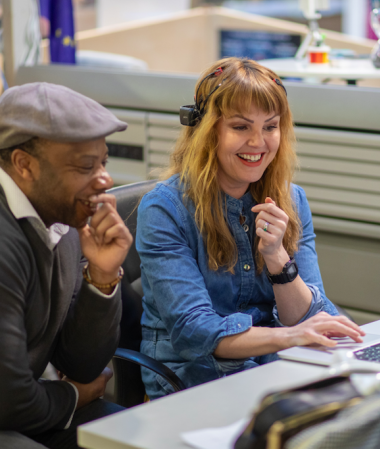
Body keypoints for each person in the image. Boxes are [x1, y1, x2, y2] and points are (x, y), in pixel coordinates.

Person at [136, 58, 365, 400]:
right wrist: (291, 338)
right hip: (193, 382)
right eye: (241, 127)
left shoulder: (291, 199)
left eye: (270, 126)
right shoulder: (165, 209)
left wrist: (277, 259)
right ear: (208, 130)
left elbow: (309, 315)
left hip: (273, 369)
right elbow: (195, 332)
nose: (258, 142)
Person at [0, 83, 133, 449]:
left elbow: (82, 365)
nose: (105, 179)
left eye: (103, 162)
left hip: (14, 406)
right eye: (85, 166)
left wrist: (102, 276)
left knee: (134, 436)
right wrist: (73, 395)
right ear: (24, 164)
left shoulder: (59, 221)